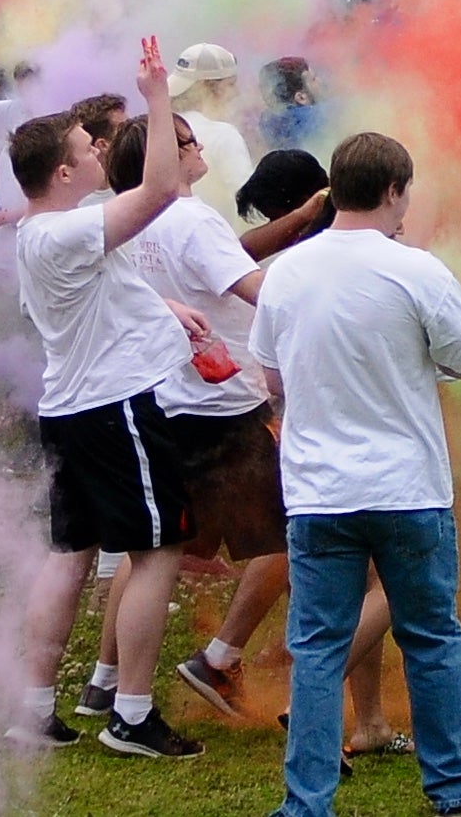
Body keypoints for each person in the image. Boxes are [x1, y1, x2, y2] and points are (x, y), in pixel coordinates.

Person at [249, 130, 461, 817]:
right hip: (407, 490)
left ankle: (306, 802)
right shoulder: (418, 270)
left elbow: (271, 376)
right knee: (432, 639)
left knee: (317, 650)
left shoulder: (287, 271)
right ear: (393, 191)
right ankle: (454, 790)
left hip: (319, 493)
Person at [6, 42, 208, 758]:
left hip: (73, 408)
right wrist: (157, 99)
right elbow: (157, 194)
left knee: (70, 554)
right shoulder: (65, 231)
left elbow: (105, 281)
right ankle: (131, 712)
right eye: (84, 148)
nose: (97, 150)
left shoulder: (45, 229)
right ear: (63, 173)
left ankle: (32, 709)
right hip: (114, 407)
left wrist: (165, 307)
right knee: (159, 549)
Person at [101, 109, 288, 721]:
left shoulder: (124, 224)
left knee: (157, 553)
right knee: (299, 538)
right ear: (162, 154)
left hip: (165, 401)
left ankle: (105, 680)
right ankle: (220, 657)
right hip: (227, 408)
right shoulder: (193, 218)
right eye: (184, 141)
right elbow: (259, 292)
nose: (197, 147)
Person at [165, 42, 256, 224]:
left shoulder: (156, 128)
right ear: (207, 87)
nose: (236, 92)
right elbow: (249, 204)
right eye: (230, 84)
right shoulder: (223, 135)